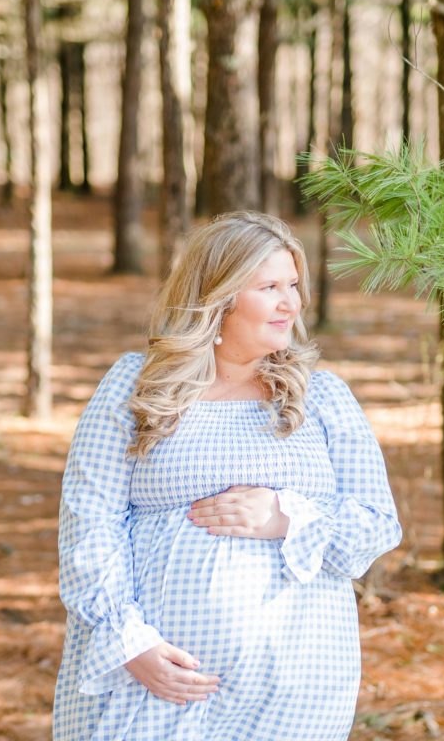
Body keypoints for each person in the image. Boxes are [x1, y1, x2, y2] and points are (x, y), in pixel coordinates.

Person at [53, 211, 402, 741]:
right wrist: (129, 643)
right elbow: (89, 520)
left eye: (293, 285)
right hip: (156, 681)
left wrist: (285, 517)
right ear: (216, 296)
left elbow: (376, 525)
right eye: (269, 287)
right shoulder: (135, 386)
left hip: (293, 689)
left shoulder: (324, 397)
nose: (291, 303)